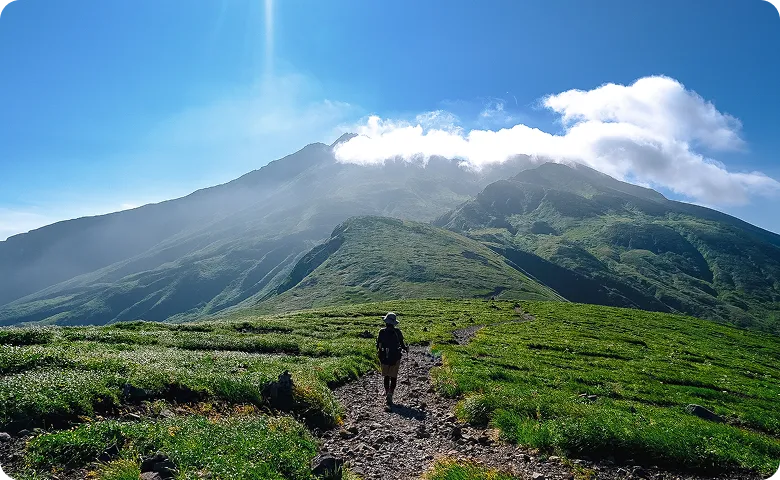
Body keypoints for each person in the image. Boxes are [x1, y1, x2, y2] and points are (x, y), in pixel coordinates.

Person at [376, 312, 408, 409]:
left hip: (384, 357)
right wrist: (406, 348)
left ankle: (386, 392)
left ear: (386, 322)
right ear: (394, 323)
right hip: (395, 357)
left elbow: (378, 345)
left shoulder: (382, 332)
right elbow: (402, 345)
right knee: (393, 376)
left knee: (386, 376)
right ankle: (391, 392)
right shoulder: (398, 332)